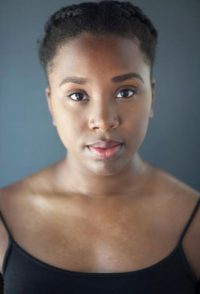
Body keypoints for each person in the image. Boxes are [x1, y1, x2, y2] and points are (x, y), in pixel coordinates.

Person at [0, 1, 199, 293]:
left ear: (152, 97)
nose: (103, 121)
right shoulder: (3, 219)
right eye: (78, 95)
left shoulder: (194, 223)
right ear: (51, 104)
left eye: (125, 91)